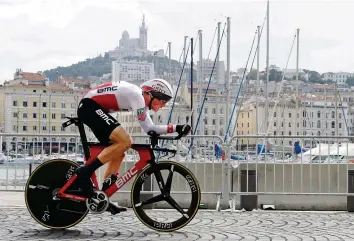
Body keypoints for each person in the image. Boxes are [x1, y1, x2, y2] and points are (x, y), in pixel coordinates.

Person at [75, 78, 191, 213]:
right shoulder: (138, 97)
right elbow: (149, 128)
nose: (163, 105)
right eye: (163, 100)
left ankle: (103, 195)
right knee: (125, 141)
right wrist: (177, 127)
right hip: (89, 106)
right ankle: (85, 171)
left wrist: (175, 129)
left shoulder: (140, 98)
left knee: (119, 149)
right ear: (151, 94)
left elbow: (151, 128)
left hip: (94, 108)